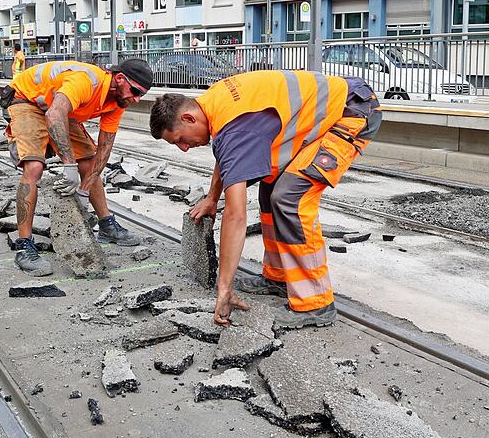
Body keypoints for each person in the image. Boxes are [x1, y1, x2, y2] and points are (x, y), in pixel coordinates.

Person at [149, 71, 381, 330]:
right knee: (269, 191)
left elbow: (236, 216)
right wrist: (212, 198)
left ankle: (316, 304)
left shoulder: (236, 128)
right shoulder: (214, 104)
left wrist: (223, 287)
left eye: (179, 139)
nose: (183, 148)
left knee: (291, 198)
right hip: (329, 107)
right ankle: (279, 277)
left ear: (188, 118)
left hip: (351, 111)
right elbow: (228, 157)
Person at [5, 58, 154, 275]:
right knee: (35, 167)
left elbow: (104, 148)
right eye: (135, 91)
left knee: (89, 161)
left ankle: (106, 225)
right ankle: (24, 246)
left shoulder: (118, 101)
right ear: (120, 79)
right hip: (27, 100)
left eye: (142, 94)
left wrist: (86, 187)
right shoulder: (86, 82)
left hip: (57, 107)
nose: (137, 99)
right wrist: (68, 166)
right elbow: (54, 115)